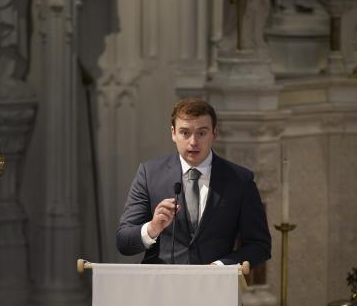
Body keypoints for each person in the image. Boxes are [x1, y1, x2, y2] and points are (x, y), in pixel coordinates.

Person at [116, 98, 271, 266]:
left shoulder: (240, 180)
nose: (193, 142)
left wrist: (220, 267)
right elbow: (124, 242)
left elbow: (260, 246)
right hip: (160, 281)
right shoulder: (149, 174)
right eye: (185, 133)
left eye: (201, 133)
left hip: (215, 281)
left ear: (214, 134)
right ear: (173, 133)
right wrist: (152, 228)